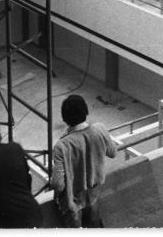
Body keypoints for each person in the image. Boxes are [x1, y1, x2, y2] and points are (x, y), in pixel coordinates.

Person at [50, 95, 118, 228]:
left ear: (65, 118)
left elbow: (58, 185)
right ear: (86, 111)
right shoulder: (100, 129)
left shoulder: (62, 146)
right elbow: (112, 152)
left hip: (73, 202)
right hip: (93, 195)